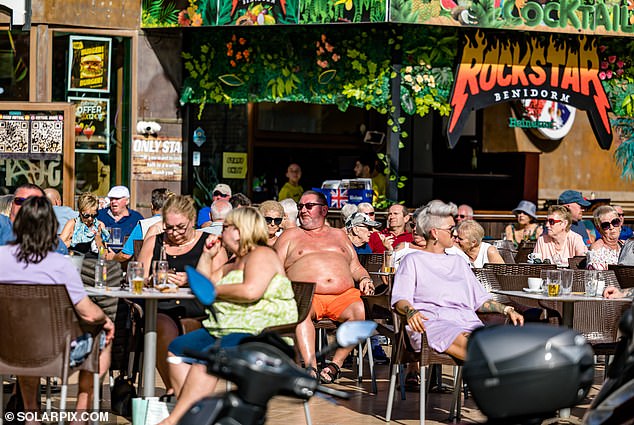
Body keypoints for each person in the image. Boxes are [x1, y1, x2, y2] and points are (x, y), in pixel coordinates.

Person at [158, 207, 298, 425]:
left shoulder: (261, 254)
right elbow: (204, 285)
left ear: (241, 231)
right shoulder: (234, 261)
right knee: (177, 349)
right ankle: (197, 413)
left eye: (226, 228)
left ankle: (175, 420)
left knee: (208, 359)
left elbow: (251, 291)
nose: (221, 233)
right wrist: (207, 254)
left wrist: (216, 291)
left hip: (260, 333)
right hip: (226, 328)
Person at [0, 196, 114, 416]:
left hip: (7, 348)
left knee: (26, 339)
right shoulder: (60, 264)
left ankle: (31, 415)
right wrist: (106, 320)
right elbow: (88, 313)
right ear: (51, 227)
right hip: (56, 354)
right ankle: (80, 415)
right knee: (103, 337)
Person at [391, 200, 524, 363]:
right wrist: (410, 311)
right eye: (450, 229)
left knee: (494, 345)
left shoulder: (459, 261)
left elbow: (480, 300)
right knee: (482, 351)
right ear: (434, 233)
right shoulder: (413, 261)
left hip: (467, 323)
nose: (455, 233)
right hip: (432, 324)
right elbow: (400, 299)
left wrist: (507, 310)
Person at [274, 190, 374, 383]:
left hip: (342, 296)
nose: (303, 210)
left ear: (324, 210)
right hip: (306, 294)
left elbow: (355, 266)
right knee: (301, 313)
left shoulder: (339, 235)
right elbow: (275, 267)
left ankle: (335, 365)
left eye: (309, 206)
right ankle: (310, 367)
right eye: (300, 206)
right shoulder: (290, 235)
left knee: (359, 310)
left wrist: (365, 278)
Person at [137, 195, 214, 394]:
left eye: (180, 227)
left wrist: (190, 280)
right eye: (169, 227)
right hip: (161, 306)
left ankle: (184, 393)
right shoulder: (155, 242)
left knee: (190, 327)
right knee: (160, 325)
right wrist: (155, 279)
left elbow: (218, 280)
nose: (174, 233)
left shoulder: (208, 242)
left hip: (198, 307)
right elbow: (139, 275)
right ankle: (176, 390)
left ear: (193, 220)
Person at [107, 188, 174, 262]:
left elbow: (125, 255)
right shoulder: (177, 224)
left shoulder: (144, 225)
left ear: (152, 206)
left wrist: (112, 257)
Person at [0, 184, 68, 254]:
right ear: (12, 204)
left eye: (35, 203)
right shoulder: (2, 225)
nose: (26, 206)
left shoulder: (56, 245)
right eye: (20, 201)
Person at [98, 185, 144, 252]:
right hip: (101, 256)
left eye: (117, 199)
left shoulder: (136, 218)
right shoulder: (100, 215)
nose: (113, 201)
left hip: (127, 258)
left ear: (127, 201)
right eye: (111, 199)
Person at [588, 205, 623, 270]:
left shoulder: (624, 245)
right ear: (599, 229)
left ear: (620, 224)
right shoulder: (597, 249)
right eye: (605, 225)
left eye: (615, 222)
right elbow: (596, 275)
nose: (611, 227)